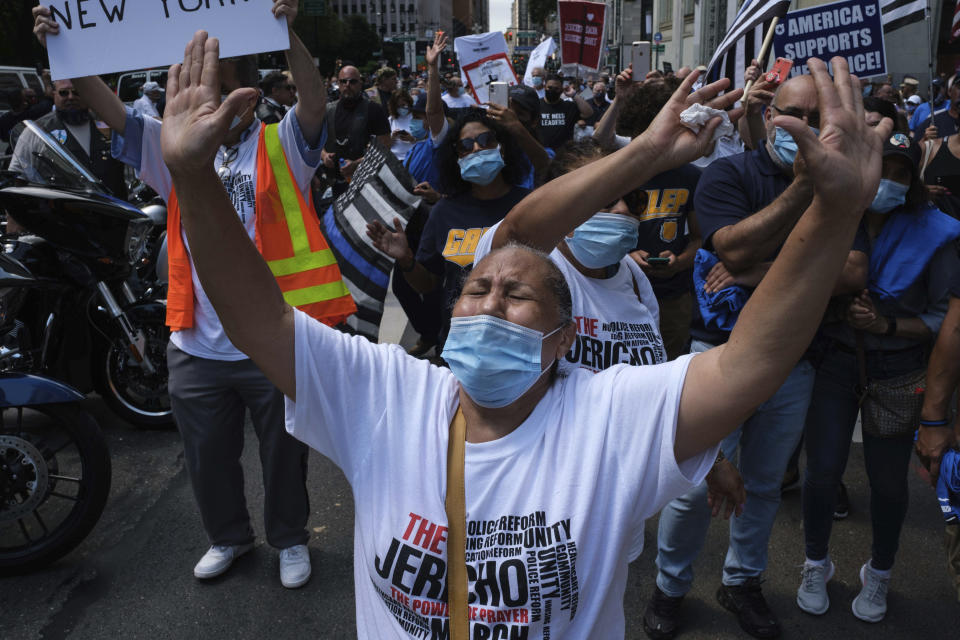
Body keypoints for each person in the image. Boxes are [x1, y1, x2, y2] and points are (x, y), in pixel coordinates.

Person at [160, 31, 890, 636]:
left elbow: (752, 360)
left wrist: (832, 209)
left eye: (516, 294)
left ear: (564, 338)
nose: (488, 301)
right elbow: (257, 314)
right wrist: (192, 179)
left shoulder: (608, 418)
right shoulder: (387, 396)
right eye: (477, 288)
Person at [32, 0, 356, 589]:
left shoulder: (284, 143)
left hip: (274, 339)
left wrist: (288, 33)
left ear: (249, 98)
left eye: (222, 91)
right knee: (207, 457)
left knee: (285, 454)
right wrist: (69, 52)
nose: (207, 104)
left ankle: (288, 539)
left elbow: (313, 100)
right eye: (202, 92)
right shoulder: (173, 147)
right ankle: (229, 537)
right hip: (195, 340)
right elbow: (110, 107)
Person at [645, 73, 871, 640]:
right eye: (791, 115)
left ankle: (742, 581)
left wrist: (755, 273)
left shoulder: (846, 186)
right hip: (715, 354)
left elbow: (850, 272)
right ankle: (670, 588)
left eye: (817, 121)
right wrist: (801, 190)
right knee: (693, 482)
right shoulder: (731, 173)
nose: (803, 129)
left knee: (764, 484)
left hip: (793, 363)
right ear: (769, 117)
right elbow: (731, 245)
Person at [796, 135, 960, 622]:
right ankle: (814, 563)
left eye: (901, 172)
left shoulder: (938, 234)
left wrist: (886, 324)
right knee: (821, 472)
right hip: (835, 361)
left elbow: (942, 318)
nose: (888, 181)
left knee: (888, 485)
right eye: (879, 168)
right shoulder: (833, 215)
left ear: (912, 182)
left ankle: (881, 572)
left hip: (898, 371)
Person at [367, 107, 530, 345]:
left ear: (501, 147)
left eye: (486, 140)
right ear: (457, 158)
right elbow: (429, 283)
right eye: (466, 145)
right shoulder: (444, 212)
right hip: (459, 342)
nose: (477, 148)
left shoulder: (528, 206)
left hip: (517, 339)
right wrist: (406, 260)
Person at [617, 80, 704, 361]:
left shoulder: (690, 176)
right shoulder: (616, 174)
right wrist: (627, 256)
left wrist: (680, 262)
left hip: (673, 296)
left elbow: (700, 238)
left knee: (665, 364)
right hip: (621, 293)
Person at [8, 77, 128, 199]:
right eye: (64, 92)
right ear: (54, 94)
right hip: (63, 214)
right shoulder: (36, 131)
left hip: (114, 211)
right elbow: (18, 177)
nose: (70, 97)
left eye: (76, 92)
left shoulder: (109, 122)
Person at [321, 64, 391, 196]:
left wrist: (357, 163)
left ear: (360, 83)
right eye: (343, 81)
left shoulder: (373, 109)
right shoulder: (329, 110)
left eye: (352, 81)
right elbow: (316, 141)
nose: (347, 85)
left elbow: (385, 147)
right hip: (335, 184)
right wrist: (324, 155)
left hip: (366, 184)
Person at [538, 73, 592, 151]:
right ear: (544, 87)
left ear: (561, 90)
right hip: (541, 152)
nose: (552, 91)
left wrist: (574, 95)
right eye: (549, 88)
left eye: (556, 89)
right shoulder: (536, 105)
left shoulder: (568, 106)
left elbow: (588, 113)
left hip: (563, 155)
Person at [386, 89, 417, 162]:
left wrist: (412, 139)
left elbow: (426, 140)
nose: (401, 108)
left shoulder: (417, 116)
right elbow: (385, 144)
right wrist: (392, 138)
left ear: (408, 102)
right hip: (395, 159)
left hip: (413, 158)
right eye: (398, 106)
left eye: (403, 105)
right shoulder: (391, 119)